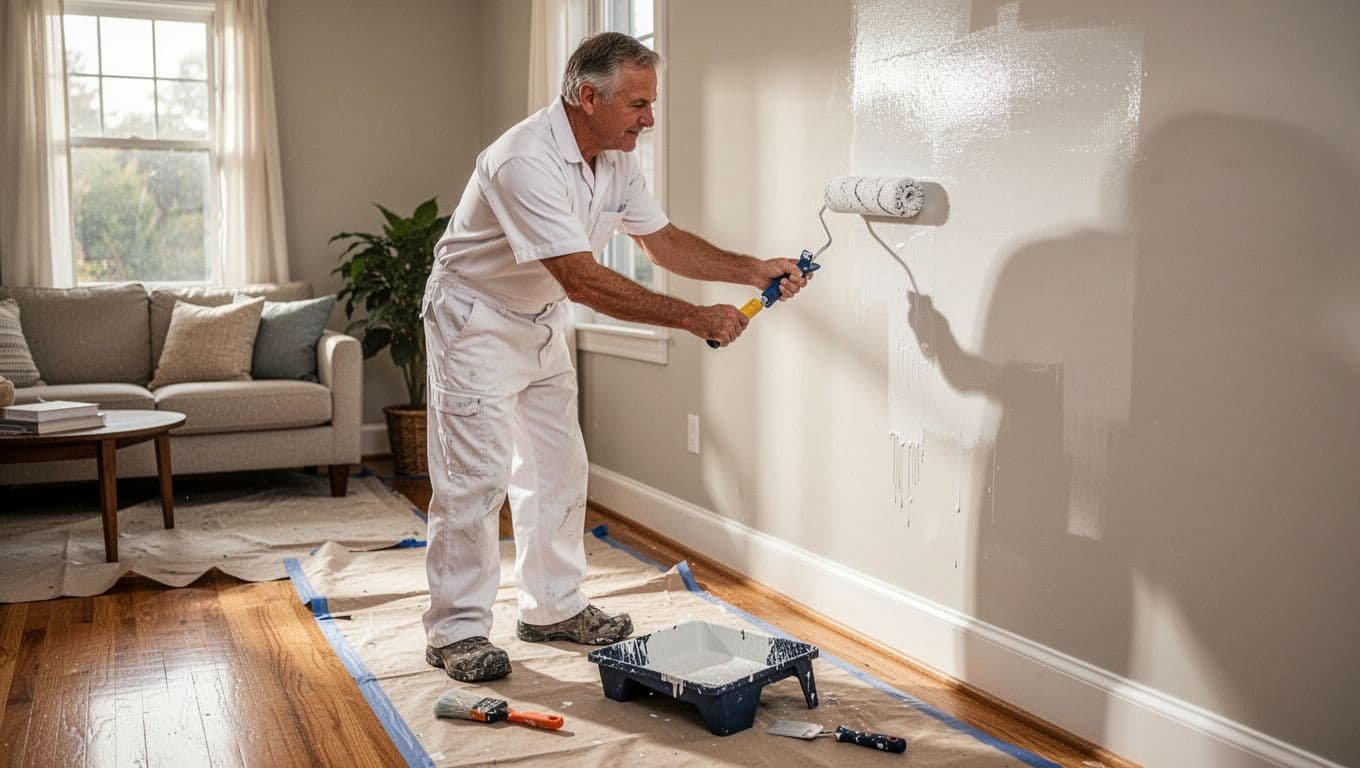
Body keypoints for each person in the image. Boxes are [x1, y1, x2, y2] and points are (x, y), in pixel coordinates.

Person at [421, 31, 811, 682]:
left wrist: (750, 269)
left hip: (541, 313)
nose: (649, 120)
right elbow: (584, 279)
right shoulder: (522, 159)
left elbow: (662, 243)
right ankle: (455, 630)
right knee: (476, 477)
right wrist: (690, 316)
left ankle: (553, 607)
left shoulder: (617, 156)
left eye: (649, 104)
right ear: (586, 97)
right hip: (476, 318)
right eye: (637, 105)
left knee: (559, 466)